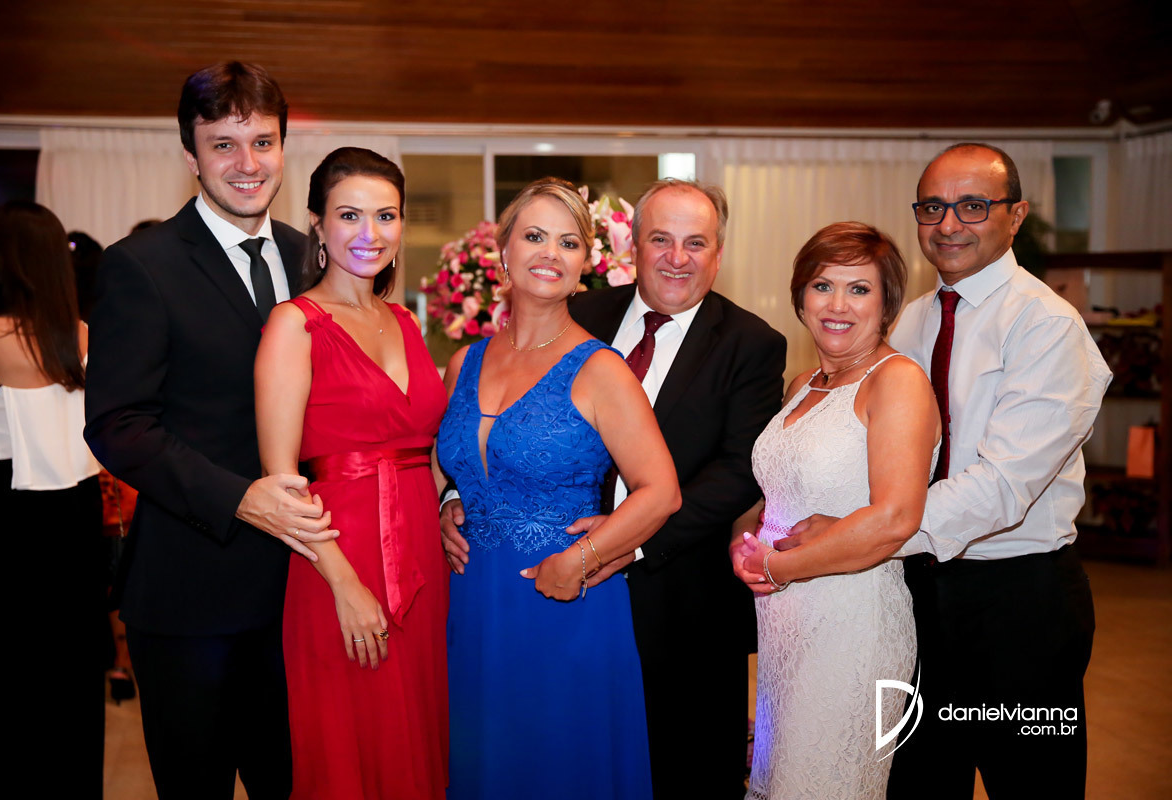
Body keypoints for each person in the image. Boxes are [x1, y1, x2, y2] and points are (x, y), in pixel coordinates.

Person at [782, 144, 1110, 799]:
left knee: (1031, 784)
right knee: (916, 782)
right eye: (932, 207)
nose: (949, 224)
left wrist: (859, 529)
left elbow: (1002, 488)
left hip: (1016, 602)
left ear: (1016, 215)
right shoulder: (913, 317)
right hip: (911, 594)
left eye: (973, 206)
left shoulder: (1047, 326)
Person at [442, 177, 787, 798]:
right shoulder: (577, 314)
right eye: (660, 239)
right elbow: (467, 447)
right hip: (488, 592)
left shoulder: (750, 344)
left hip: (669, 593)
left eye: (695, 243)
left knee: (644, 768)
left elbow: (738, 470)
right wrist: (452, 499)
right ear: (632, 248)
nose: (676, 257)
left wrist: (619, 543)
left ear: (718, 252)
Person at [84, 62, 330, 799]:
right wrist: (240, 498)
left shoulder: (314, 258)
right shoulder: (142, 265)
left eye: (263, 142)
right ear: (190, 155)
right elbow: (118, 425)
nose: (247, 163)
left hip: (305, 593)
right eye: (223, 144)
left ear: (283, 148)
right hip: (192, 595)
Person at [437, 177, 681, 800]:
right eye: (535, 236)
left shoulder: (601, 369)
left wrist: (581, 559)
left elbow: (660, 491)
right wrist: (448, 502)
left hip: (566, 600)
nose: (550, 252)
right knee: (485, 764)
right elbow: (451, 465)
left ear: (583, 266)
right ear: (504, 251)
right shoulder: (464, 363)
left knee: (561, 767)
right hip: (473, 603)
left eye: (568, 242)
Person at [255, 147, 450, 799]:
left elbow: (428, 450)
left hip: (422, 563)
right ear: (316, 223)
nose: (371, 233)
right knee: (351, 747)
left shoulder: (405, 321)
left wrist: (450, 505)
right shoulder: (294, 325)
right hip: (335, 563)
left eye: (386, 216)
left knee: (418, 738)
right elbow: (281, 483)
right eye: (350, 215)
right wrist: (345, 585)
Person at [728, 222, 941, 799]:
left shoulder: (896, 381)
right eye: (823, 286)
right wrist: (744, 539)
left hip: (852, 624)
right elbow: (775, 488)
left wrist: (777, 567)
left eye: (859, 289)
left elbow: (895, 518)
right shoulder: (803, 384)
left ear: (887, 303)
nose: (837, 305)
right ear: (800, 297)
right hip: (785, 626)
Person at [0, 201, 104, 797]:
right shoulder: (79, 332)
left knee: (7, 675)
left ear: (8, 260)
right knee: (70, 673)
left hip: (7, 517)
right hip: (77, 516)